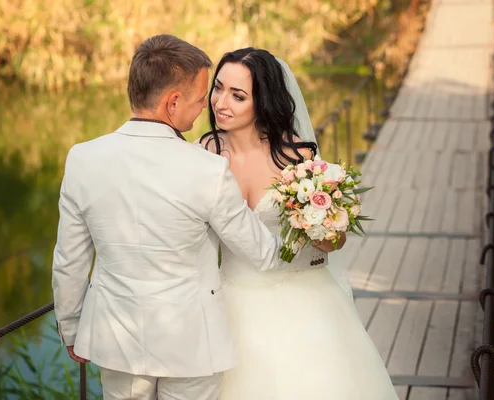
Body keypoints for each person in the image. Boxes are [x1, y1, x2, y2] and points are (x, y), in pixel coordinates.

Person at [51, 35, 323, 400]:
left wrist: (71, 329)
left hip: (115, 341)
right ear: (173, 102)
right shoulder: (208, 169)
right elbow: (265, 255)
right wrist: (319, 244)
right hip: (194, 345)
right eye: (200, 99)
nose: (205, 108)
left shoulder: (82, 159)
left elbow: (69, 262)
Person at [198, 48, 399, 399]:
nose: (221, 102)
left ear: (263, 101)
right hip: (227, 301)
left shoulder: (299, 157)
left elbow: (335, 242)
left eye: (238, 95)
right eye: (218, 88)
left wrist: (325, 228)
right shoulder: (205, 152)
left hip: (302, 297)